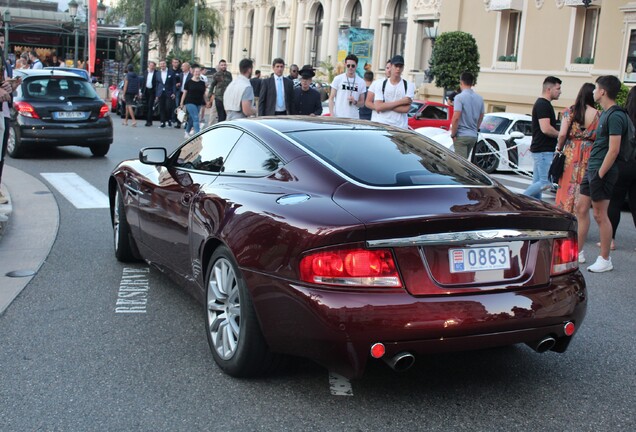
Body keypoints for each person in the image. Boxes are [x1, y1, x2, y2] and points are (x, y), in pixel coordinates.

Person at [576, 75, 626, 273]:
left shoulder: (615, 116)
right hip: (593, 169)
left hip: (601, 171)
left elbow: (614, 150)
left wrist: (600, 173)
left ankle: (605, 259)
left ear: (603, 91)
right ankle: (577, 252)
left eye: (596, 88)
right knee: (581, 209)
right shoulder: (605, 113)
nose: (594, 91)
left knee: (599, 214)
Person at [554, 83, 599, 213]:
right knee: (582, 188)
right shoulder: (599, 114)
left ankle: (564, 214)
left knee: (566, 186)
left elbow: (562, 134)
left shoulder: (570, 111)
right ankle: (578, 218)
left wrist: (559, 148)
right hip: (589, 151)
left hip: (571, 150)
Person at [602, 85, 636, 251]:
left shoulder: (622, 116)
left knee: (615, 202)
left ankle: (611, 240)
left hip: (623, 162)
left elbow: (614, 145)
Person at [523, 76, 562, 200]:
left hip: (542, 149)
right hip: (543, 150)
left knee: (538, 182)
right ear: (549, 89)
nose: (560, 91)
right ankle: (520, 200)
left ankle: (535, 208)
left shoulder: (544, 104)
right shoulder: (543, 105)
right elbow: (545, 128)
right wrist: (561, 135)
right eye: (558, 88)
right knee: (545, 183)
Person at [367, 55, 415, 129]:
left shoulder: (409, 85)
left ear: (403, 67)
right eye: (396, 66)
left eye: (400, 66)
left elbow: (406, 109)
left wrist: (385, 106)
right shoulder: (380, 83)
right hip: (382, 125)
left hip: (400, 127)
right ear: (391, 66)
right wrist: (402, 101)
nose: (398, 69)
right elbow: (378, 106)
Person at [0, 44, 21, 205]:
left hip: (4, 113)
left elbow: (6, 90)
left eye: (2, 42)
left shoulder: (5, 62)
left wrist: (11, 88)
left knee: (1, 155)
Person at [450, 72, 484, 159]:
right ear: (472, 83)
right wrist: (475, 129)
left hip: (461, 135)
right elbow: (481, 116)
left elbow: (456, 117)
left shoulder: (459, 97)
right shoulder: (480, 98)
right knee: (465, 162)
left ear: (461, 82)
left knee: (460, 165)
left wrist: (453, 134)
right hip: (473, 135)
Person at [329, 53, 366, 119]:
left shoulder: (361, 82)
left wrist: (355, 102)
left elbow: (362, 103)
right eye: (348, 65)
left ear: (356, 66)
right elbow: (331, 98)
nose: (350, 68)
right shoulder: (338, 79)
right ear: (345, 65)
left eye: (353, 66)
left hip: (353, 118)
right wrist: (332, 115)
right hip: (338, 117)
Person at [180, 66, 208, 137]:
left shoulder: (202, 83)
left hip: (198, 102)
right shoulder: (189, 82)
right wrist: (181, 102)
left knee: (192, 119)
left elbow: (204, 94)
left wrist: (206, 102)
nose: (197, 73)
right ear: (193, 72)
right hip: (189, 102)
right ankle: (197, 135)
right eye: (196, 71)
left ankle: (186, 132)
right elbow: (184, 93)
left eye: (198, 72)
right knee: (196, 117)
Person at [154, 60, 176, 128]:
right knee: (161, 108)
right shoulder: (157, 73)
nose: (162, 65)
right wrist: (157, 94)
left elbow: (173, 84)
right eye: (161, 64)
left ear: (166, 64)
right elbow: (157, 84)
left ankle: (169, 119)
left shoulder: (171, 73)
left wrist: (174, 93)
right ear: (159, 65)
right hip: (160, 92)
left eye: (163, 64)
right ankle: (162, 122)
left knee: (168, 107)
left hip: (169, 92)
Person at [142, 61, 158, 127]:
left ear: (154, 67)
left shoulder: (156, 73)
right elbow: (143, 82)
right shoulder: (145, 72)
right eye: (150, 65)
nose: (151, 67)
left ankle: (149, 121)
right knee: (147, 106)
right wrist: (141, 91)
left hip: (153, 91)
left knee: (150, 106)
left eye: (152, 66)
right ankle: (148, 120)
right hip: (146, 90)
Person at [170, 58, 183, 128]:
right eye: (174, 62)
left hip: (178, 90)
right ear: (172, 63)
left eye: (177, 62)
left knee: (178, 106)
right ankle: (170, 119)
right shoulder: (169, 71)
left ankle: (179, 122)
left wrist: (179, 83)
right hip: (170, 91)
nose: (176, 64)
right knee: (170, 106)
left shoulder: (181, 71)